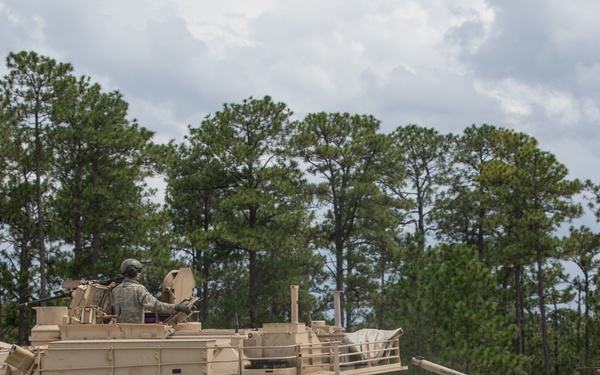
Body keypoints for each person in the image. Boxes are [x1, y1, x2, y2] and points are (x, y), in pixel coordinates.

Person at [109, 258, 192, 323]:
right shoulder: (138, 289)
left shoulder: (114, 290)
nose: (140, 273)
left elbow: (109, 312)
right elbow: (156, 306)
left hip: (119, 332)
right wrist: (177, 307)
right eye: (139, 271)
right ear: (133, 272)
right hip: (136, 332)